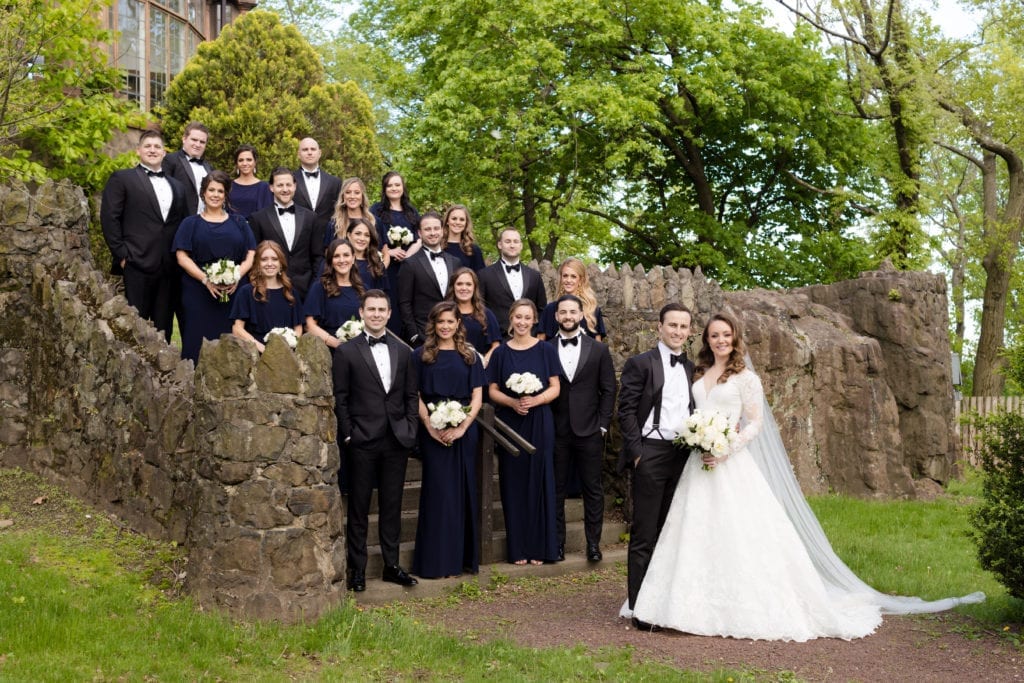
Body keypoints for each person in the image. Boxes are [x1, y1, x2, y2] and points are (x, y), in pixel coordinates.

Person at [630, 311, 985, 639]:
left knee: (739, 534)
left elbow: (755, 423)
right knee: (690, 533)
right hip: (697, 466)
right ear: (705, 340)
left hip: (729, 464)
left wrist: (724, 448)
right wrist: (700, 441)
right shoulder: (696, 372)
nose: (720, 340)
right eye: (713, 335)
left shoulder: (746, 378)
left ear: (735, 338)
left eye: (725, 335)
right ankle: (678, 602)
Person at [333, 289, 419, 592]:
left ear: (390, 314)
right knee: (358, 508)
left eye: (382, 309)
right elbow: (340, 399)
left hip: (396, 439)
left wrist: (409, 429)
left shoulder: (404, 352)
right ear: (361, 312)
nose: (377, 314)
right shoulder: (346, 352)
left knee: (392, 506)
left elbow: (410, 396)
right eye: (371, 309)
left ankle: (391, 566)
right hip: (362, 440)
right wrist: (348, 434)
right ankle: (357, 570)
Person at [616, 303, 695, 629]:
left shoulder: (691, 367)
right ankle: (639, 609)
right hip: (650, 452)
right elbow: (626, 410)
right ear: (659, 328)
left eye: (683, 326)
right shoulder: (640, 363)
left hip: (683, 455)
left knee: (670, 532)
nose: (677, 331)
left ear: (690, 331)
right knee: (645, 532)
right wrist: (637, 453)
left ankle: (664, 603)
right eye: (672, 325)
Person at [411, 302, 486, 578]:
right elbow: (416, 394)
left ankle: (461, 561)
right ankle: (435, 562)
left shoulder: (471, 356)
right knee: (438, 494)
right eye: (440, 322)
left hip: (464, 433)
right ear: (434, 324)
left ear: (458, 324)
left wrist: (463, 426)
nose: (445, 326)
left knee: (463, 492)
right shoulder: (421, 356)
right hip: (433, 431)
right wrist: (430, 426)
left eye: (450, 322)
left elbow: (477, 396)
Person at [487, 299, 561, 565]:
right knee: (513, 484)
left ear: (533, 321)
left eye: (527, 318)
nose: (522, 322)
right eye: (518, 317)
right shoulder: (500, 353)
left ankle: (540, 549)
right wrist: (512, 402)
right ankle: (518, 549)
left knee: (540, 481)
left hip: (539, 421)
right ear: (511, 318)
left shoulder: (545, 350)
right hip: (510, 421)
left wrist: (536, 400)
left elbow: (555, 387)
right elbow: (492, 389)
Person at [100, 129, 188, 343]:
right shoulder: (123, 178)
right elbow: (109, 218)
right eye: (147, 146)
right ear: (138, 150)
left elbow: (182, 224)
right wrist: (122, 255)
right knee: (134, 327)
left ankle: (162, 375)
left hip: (168, 267)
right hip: (136, 262)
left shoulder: (177, 187)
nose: (152, 150)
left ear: (164, 152)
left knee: (163, 329)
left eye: (157, 146)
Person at [549, 295, 616, 563]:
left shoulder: (598, 349)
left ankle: (593, 545)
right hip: (556, 430)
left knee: (593, 489)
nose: (567, 316)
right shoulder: (545, 348)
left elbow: (609, 388)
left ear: (581, 315)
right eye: (562, 312)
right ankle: (557, 544)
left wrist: (602, 425)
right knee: (556, 490)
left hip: (590, 430)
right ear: (556, 316)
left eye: (572, 312)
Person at [172, 170, 257, 364]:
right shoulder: (190, 223)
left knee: (232, 340)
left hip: (234, 291)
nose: (215, 194)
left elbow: (251, 253)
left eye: (220, 191)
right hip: (198, 291)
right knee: (197, 339)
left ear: (226, 195)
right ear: (203, 192)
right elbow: (182, 256)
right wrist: (205, 279)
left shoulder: (239, 222)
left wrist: (236, 275)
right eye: (211, 190)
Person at [248, 166, 320, 301]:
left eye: (288, 185)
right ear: (271, 188)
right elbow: (254, 258)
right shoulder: (258, 218)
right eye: (280, 185)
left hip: (305, 290)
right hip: (270, 289)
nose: (285, 189)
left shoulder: (311, 217)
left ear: (295, 186)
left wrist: (314, 287)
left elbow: (317, 256)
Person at [398, 211, 460, 346]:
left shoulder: (455, 262)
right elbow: (404, 302)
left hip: (452, 335)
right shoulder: (410, 264)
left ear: (443, 230)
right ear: (420, 233)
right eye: (427, 229)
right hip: (423, 335)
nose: (432, 233)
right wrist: (413, 334)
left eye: (436, 228)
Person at [230, 241, 303, 352]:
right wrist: (263, 349)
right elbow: (237, 329)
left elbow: (298, 328)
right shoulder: (246, 292)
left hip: (286, 355)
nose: (269, 263)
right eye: (264, 259)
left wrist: (289, 347)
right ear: (258, 263)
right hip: (255, 353)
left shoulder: (291, 293)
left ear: (281, 263)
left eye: (274, 259)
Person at [477, 228, 546, 339]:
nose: (512, 245)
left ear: (521, 245)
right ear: (500, 244)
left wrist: (536, 334)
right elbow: (480, 308)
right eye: (508, 241)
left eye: (515, 241)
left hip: (529, 339)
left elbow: (541, 309)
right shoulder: (485, 275)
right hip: (498, 340)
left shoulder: (534, 276)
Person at [304, 239, 365, 350]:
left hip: (359, 351)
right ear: (331, 261)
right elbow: (309, 325)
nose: (342, 260)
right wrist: (336, 343)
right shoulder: (319, 288)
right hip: (329, 349)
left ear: (353, 258)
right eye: (336, 256)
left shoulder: (363, 288)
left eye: (346, 255)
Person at [538, 258, 606, 341]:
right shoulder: (550, 309)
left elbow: (598, 349)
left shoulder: (592, 310)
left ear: (581, 280)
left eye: (573, 276)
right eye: (565, 276)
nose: (568, 280)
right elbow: (540, 345)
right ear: (561, 278)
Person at [445, 268, 500, 364]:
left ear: (474, 287)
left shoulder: (486, 314)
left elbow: (496, 345)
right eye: (459, 284)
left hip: (480, 368)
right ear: (453, 287)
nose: (464, 288)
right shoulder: (445, 314)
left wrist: (484, 362)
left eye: (468, 284)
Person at [293, 137, 342, 240]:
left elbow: (339, 212)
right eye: (305, 149)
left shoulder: (335, 182)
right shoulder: (289, 181)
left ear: (319, 153)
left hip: (327, 240)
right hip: (297, 240)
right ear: (298, 154)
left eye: (313, 149)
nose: (309, 152)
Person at [162, 121, 211, 215]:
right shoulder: (170, 160)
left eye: (202, 142)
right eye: (194, 140)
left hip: (205, 221)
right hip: (180, 222)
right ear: (184, 139)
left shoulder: (208, 167)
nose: (198, 144)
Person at [227, 144, 273, 220]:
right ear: (237, 164)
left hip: (256, 230)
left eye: (249, 160)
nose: (245, 163)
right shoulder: (229, 186)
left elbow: (267, 216)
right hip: (232, 230)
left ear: (255, 162)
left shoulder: (264, 187)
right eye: (241, 160)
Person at [346, 218, 390, 293]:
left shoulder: (377, 265)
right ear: (349, 235)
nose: (362, 238)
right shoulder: (340, 262)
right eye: (358, 233)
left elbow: (383, 296)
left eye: (367, 235)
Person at [442, 204, 486, 271]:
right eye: (454, 219)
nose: (457, 222)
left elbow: (481, 278)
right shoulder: (438, 247)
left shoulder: (473, 250)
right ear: (447, 221)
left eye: (462, 219)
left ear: (466, 223)